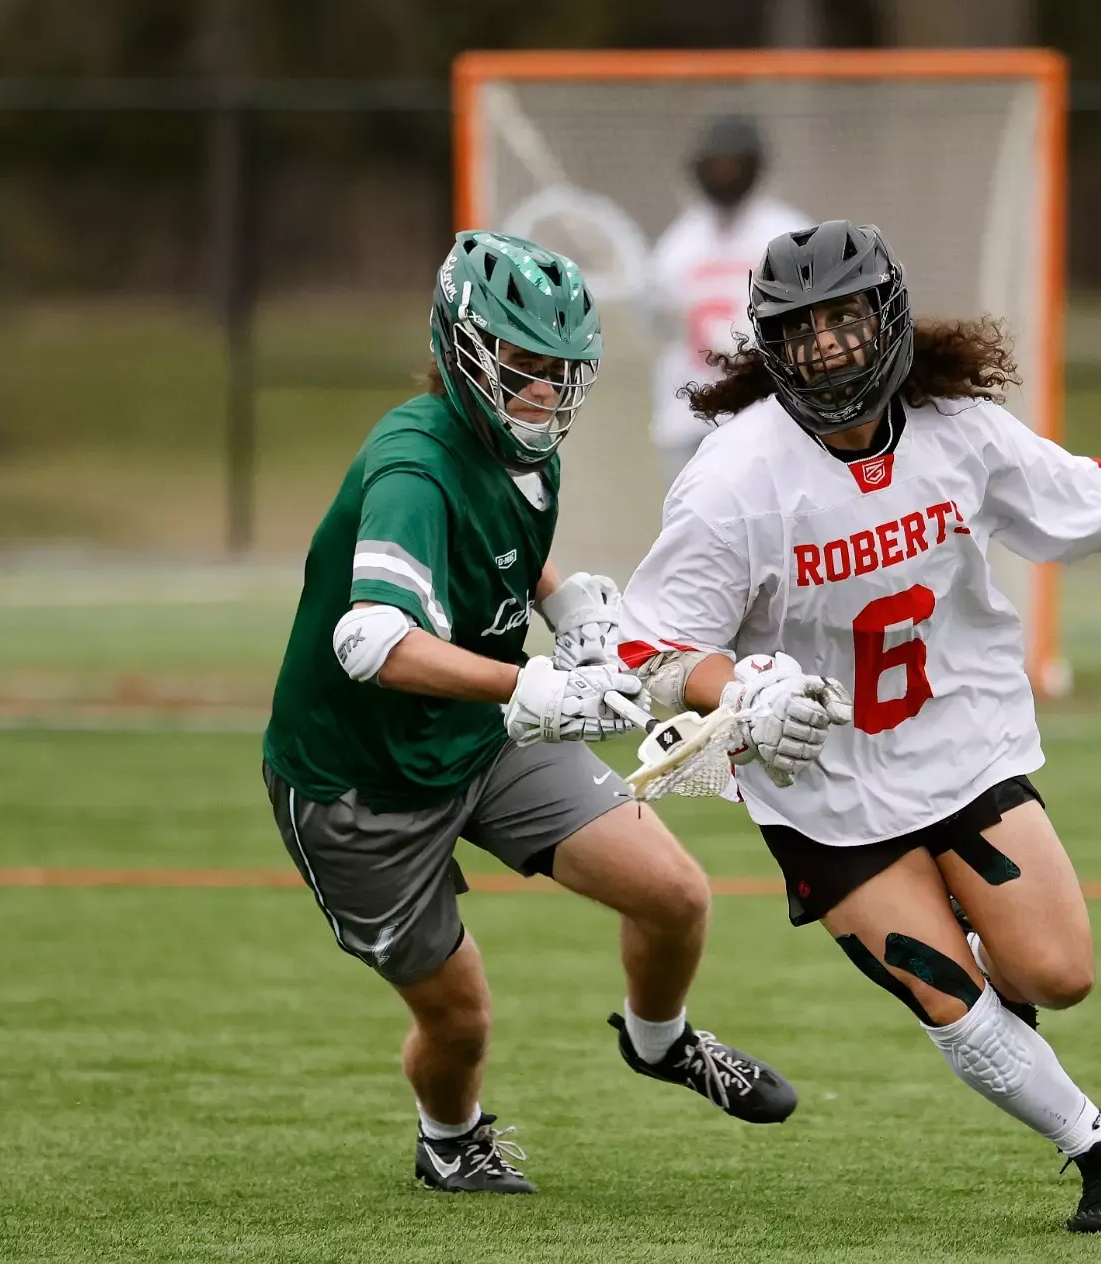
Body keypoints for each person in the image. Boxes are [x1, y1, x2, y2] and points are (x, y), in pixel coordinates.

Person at [614, 221, 1101, 1232]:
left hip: (961, 742)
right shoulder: (734, 479)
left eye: (844, 319)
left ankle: (1004, 1002)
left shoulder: (956, 429)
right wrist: (742, 688)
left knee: (1057, 973)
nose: (827, 349)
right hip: (827, 789)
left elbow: (1089, 505)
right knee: (942, 982)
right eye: (800, 331)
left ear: (886, 315)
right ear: (770, 346)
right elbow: (652, 646)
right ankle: (1099, 1147)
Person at [261, 230, 796, 1196]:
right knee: (461, 1018)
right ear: (462, 350)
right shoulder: (413, 468)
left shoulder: (523, 450)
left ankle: (659, 1040)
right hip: (361, 781)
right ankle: (450, 1141)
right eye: (521, 366)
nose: (544, 392)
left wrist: (562, 602)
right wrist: (529, 684)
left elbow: (505, 536)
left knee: (675, 892)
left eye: (559, 372)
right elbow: (372, 642)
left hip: (478, 740)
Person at [645, 114, 812, 482]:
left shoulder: (787, 233)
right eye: (715, 166)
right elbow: (656, 328)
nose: (724, 175)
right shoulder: (677, 245)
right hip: (689, 416)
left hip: (769, 414)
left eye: (733, 165)